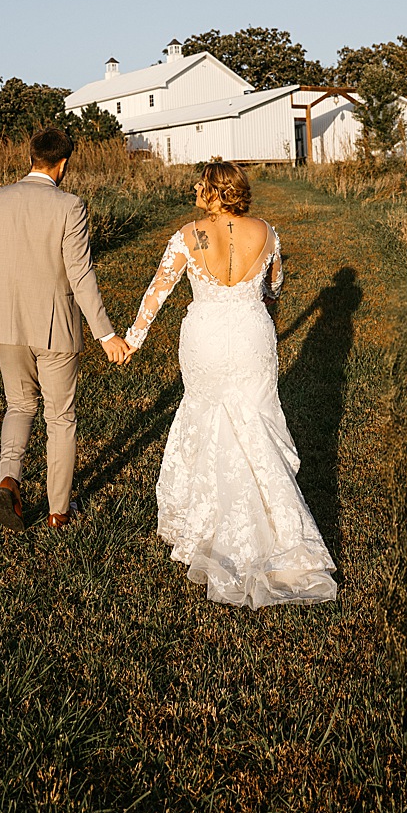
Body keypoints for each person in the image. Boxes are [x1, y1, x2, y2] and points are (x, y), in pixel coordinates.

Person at [125, 160, 337, 608]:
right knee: (254, 422)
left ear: (215, 191)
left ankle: (205, 526)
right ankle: (279, 533)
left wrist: (132, 340)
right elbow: (274, 287)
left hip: (204, 336)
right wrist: (263, 304)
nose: (195, 189)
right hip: (250, 334)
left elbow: (157, 291)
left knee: (203, 415)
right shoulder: (266, 232)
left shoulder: (191, 236)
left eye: (201, 184)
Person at [0, 126, 130, 532]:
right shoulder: (70, 206)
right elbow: (80, 274)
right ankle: (58, 511)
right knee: (60, 418)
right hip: (56, 327)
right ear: (63, 163)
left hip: (4, 323)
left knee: (19, 405)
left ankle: (9, 480)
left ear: (31, 157)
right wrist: (105, 333)